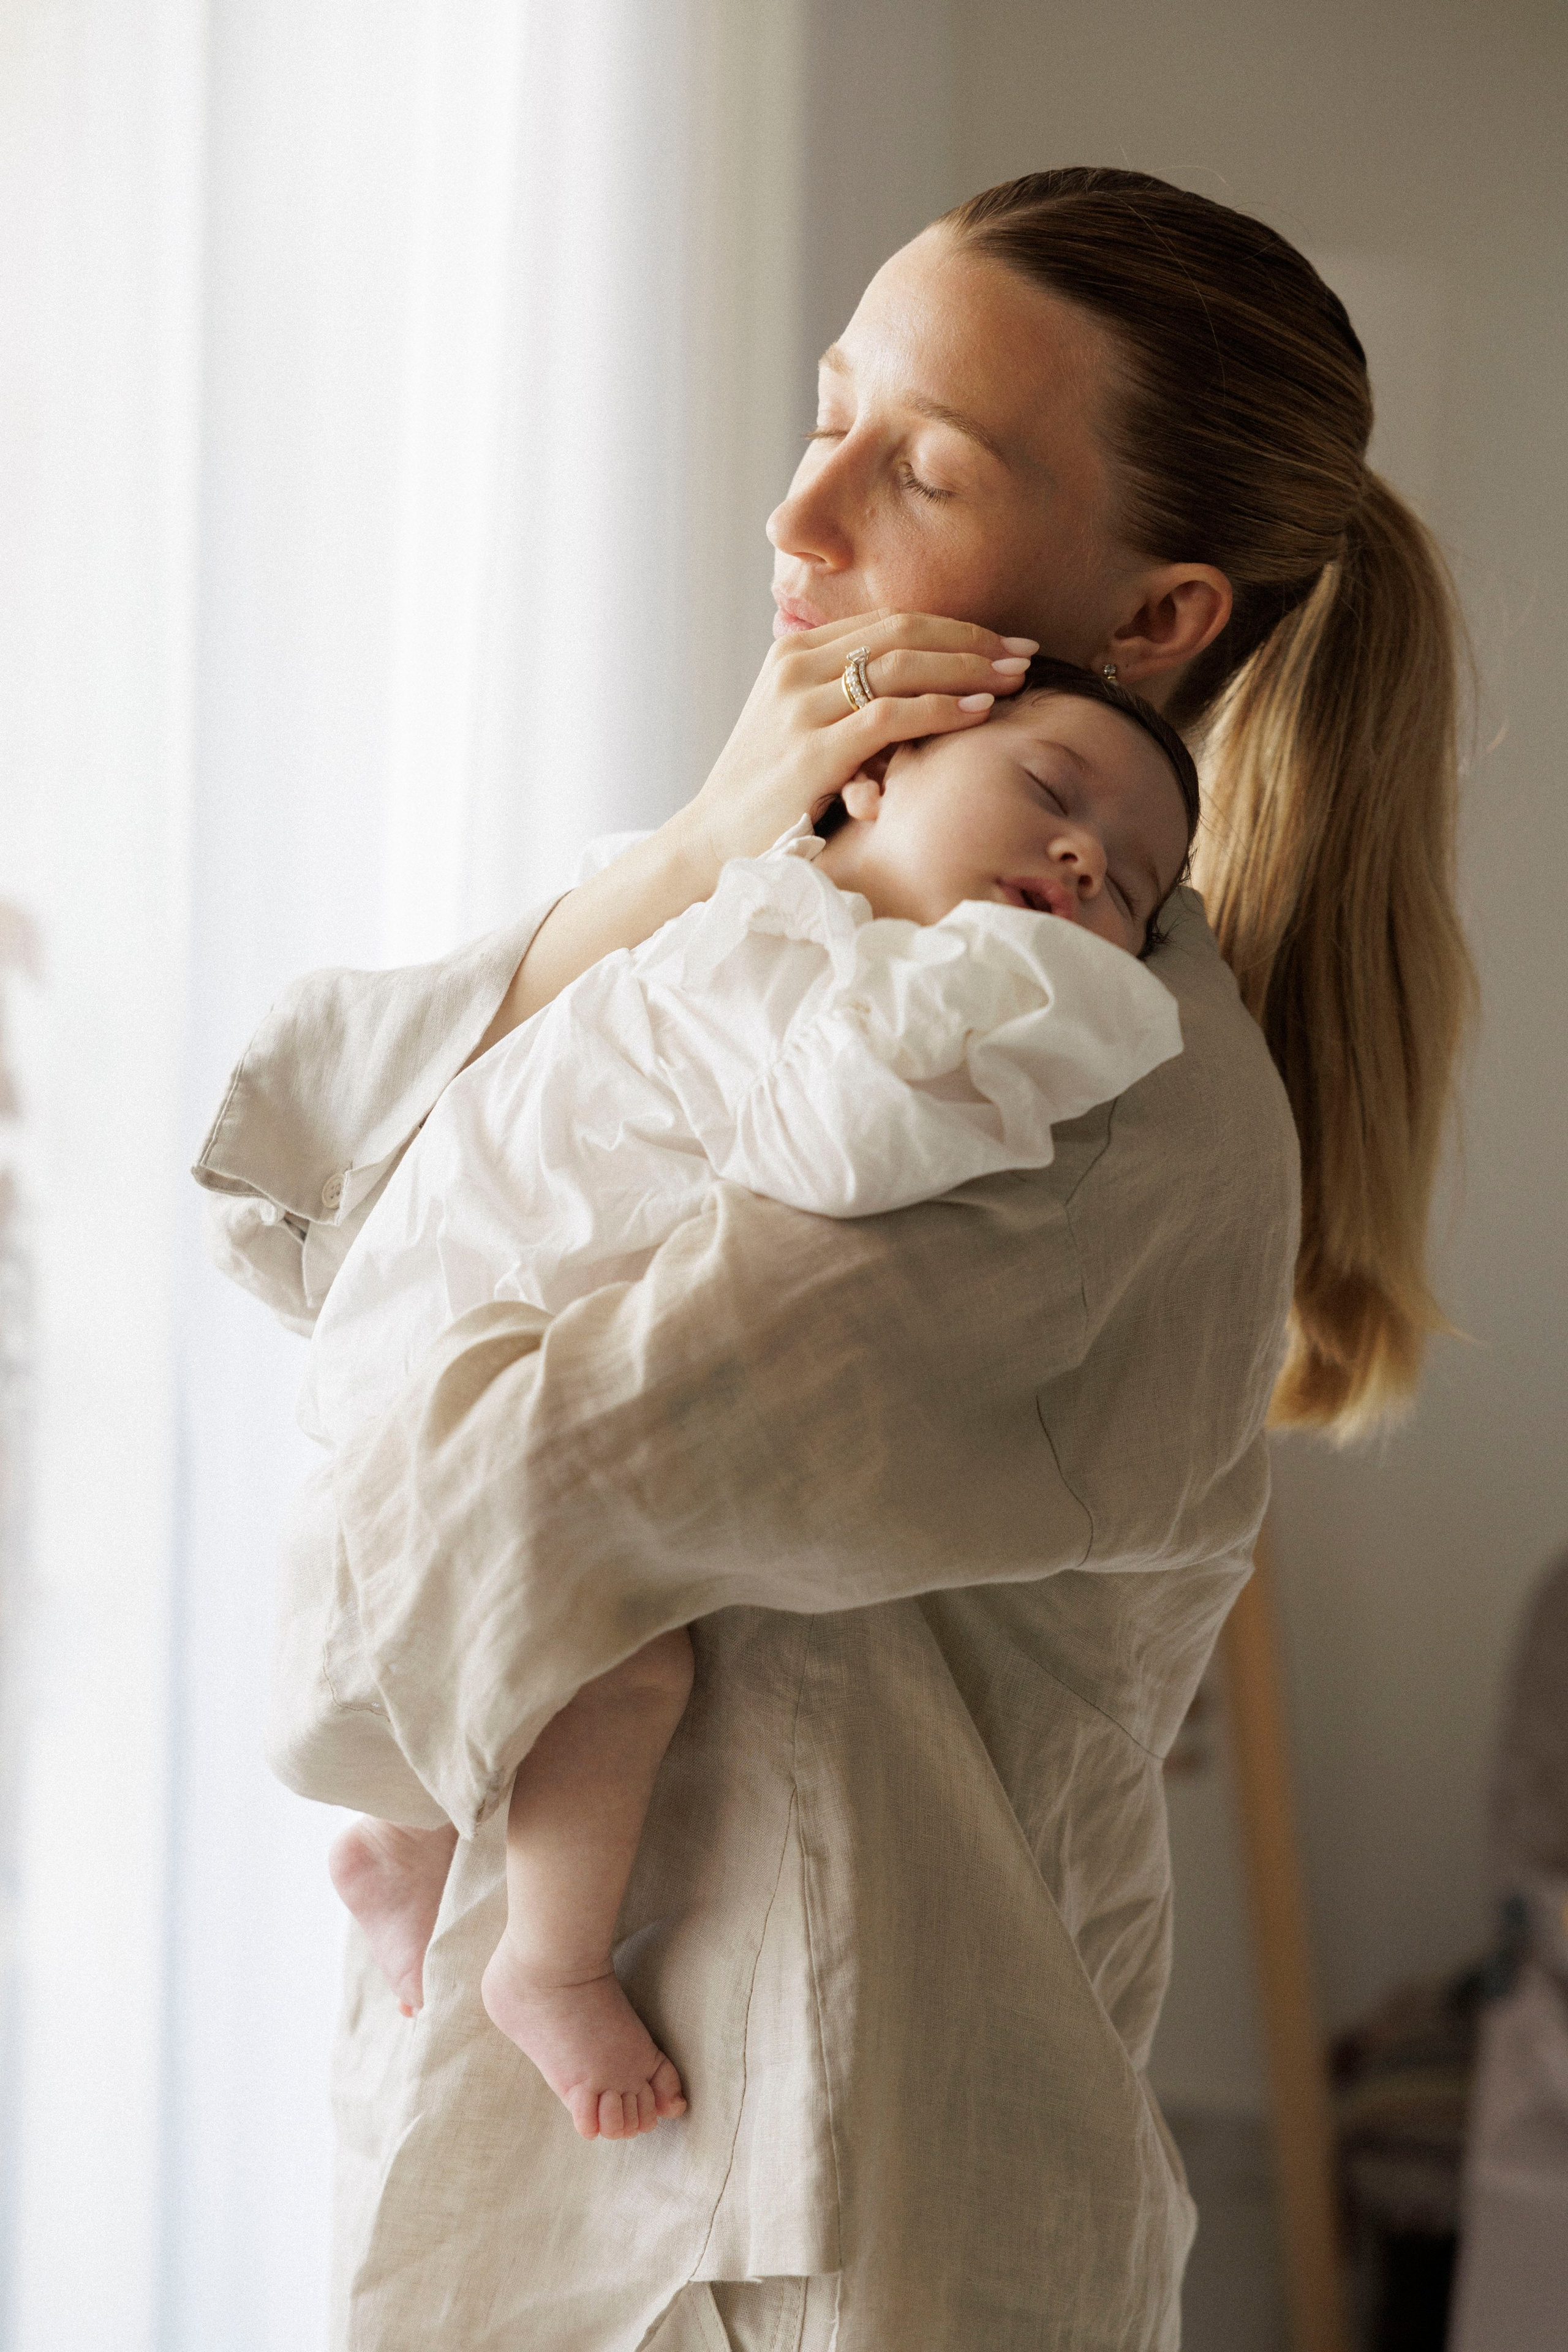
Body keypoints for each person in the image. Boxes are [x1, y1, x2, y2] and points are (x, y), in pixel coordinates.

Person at [194, 170, 1472, 2351]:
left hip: (827, 2212)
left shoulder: (1074, 1081)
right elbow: (292, 1192)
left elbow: (447, 1534)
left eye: (926, 465)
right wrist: (697, 849)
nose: (803, 513)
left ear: (1161, 619)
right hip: (570, 2176)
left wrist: (370, 1681)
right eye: (828, 409)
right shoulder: (769, 912)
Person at [309, 664, 1196, 2144]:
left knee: (540, 1622)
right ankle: (548, 1960)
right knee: (622, 1668)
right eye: (1048, 796)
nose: (1083, 860)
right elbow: (838, 1146)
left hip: (448, 1347)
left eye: (1134, 893)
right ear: (873, 778)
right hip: (445, 1363)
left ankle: (403, 1840)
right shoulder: (783, 944)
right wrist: (1070, 993)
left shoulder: (780, 922)